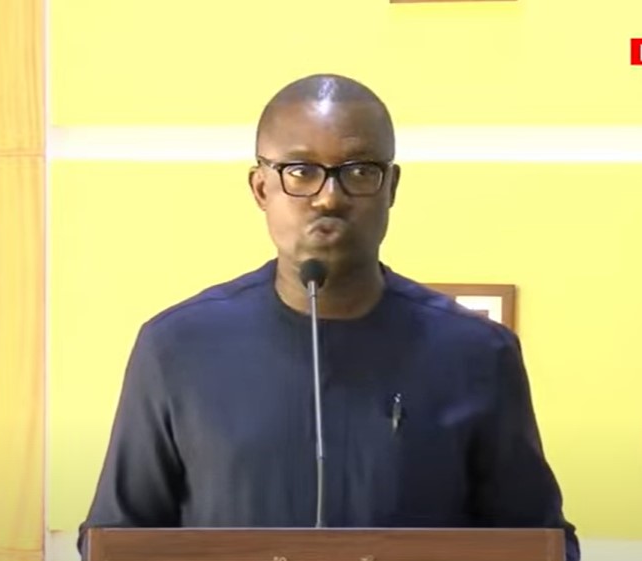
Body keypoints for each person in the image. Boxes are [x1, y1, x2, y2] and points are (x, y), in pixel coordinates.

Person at [78, 74, 580, 561]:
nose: (329, 196)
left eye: (359, 171)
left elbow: (539, 544)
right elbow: (119, 538)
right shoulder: (176, 347)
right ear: (261, 188)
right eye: (300, 171)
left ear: (391, 188)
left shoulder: (477, 353)